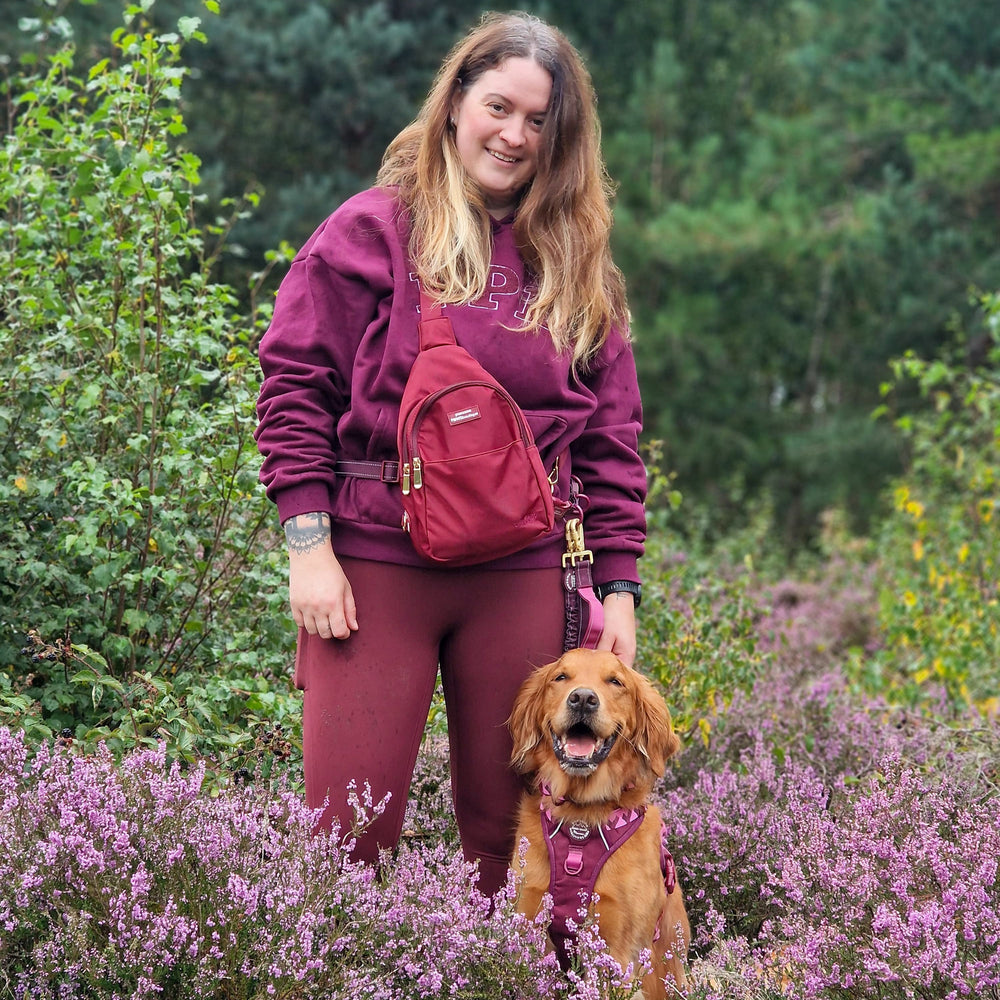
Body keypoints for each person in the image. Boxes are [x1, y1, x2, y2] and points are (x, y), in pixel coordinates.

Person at [254, 11, 647, 897]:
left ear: (561, 140)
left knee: (511, 844)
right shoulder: (371, 231)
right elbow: (292, 388)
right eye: (498, 106)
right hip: (373, 564)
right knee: (344, 836)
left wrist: (617, 585)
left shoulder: (576, 262)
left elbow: (611, 438)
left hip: (525, 569)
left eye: (538, 121)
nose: (512, 135)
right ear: (456, 101)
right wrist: (308, 548)